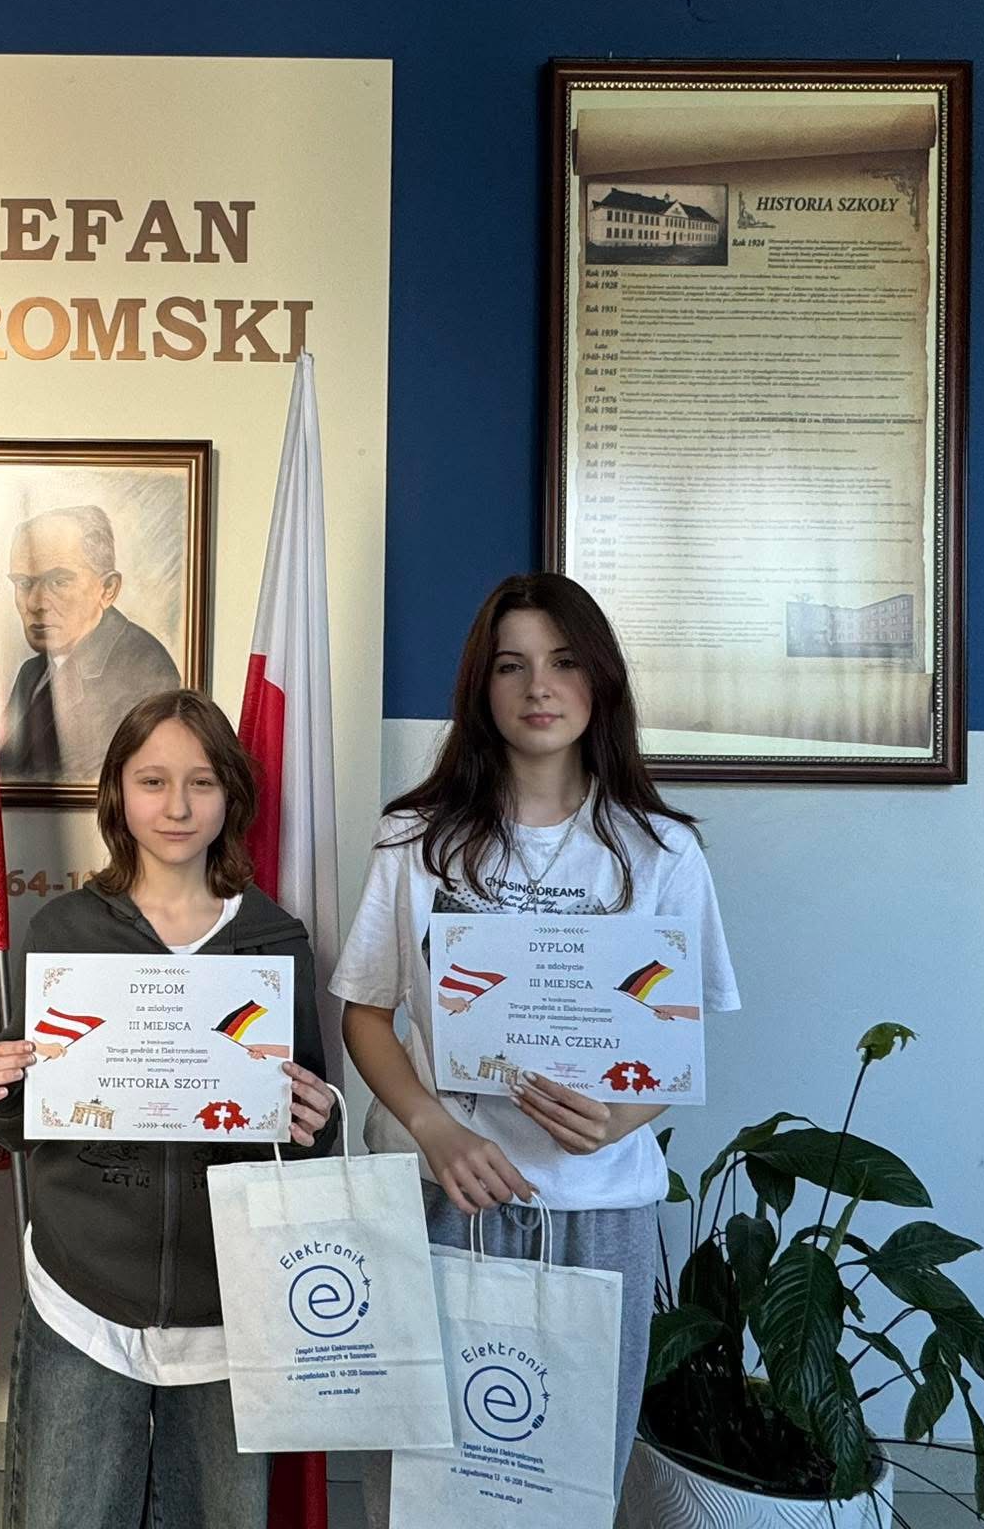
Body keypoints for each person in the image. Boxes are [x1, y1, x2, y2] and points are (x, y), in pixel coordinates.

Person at [333, 572, 739, 1517]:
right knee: (425, 1482)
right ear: (481, 687)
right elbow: (364, 1012)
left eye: (563, 663)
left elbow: (678, 1032)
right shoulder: (416, 838)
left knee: (567, 1483)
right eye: (510, 666)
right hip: (443, 1196)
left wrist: (620, 1117)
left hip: (598, 1208)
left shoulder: (660, 850)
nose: (539, 687)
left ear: (600, 681)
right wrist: (434, 1126)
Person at [0, 689, 340, 1529]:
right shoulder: (65, 930)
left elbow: (302, 1132)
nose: (177, 806)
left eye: (202, 782)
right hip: (82, 1293)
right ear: (117, 792)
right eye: (153, 781)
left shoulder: (274, 939)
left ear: (231, 796)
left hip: (230, 1305)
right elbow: (25, 1124)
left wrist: (315, 1123)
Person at [0, 505, 181, 784]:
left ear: (108, 590)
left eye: (59, 581)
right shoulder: (31, 674)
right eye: (23, 583)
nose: (35, 603)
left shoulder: (143, 670)